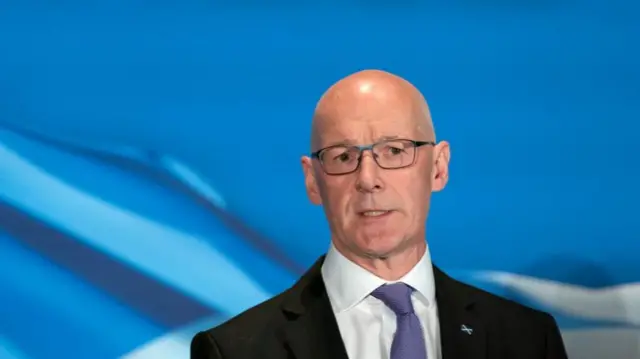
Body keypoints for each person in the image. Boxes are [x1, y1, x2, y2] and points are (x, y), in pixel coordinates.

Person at [191, 70, 568, 359]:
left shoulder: (527, 340)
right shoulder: (235, 351)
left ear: (438, 167)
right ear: (312, 181)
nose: (368, 179)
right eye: (343, 157)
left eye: (394, 151)